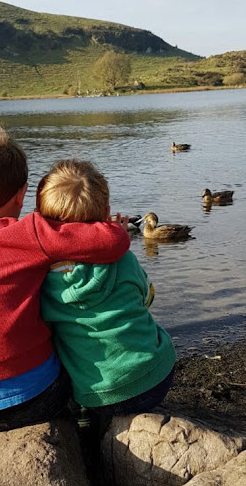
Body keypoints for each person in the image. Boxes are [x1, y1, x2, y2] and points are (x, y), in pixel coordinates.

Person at [0, 128, 131, 432]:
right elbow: (111, 243)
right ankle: (84, 421)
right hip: (37, 398)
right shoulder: (27, 233)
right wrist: (117, 227)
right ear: (22, 195)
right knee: (66, 332)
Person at [37, 159, 176, 422]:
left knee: (62, 343)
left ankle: (83, 418)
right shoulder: (123, 260)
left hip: (97, 398)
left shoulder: (42, 276)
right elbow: (148, 298)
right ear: (107, 214)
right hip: (156, 379)